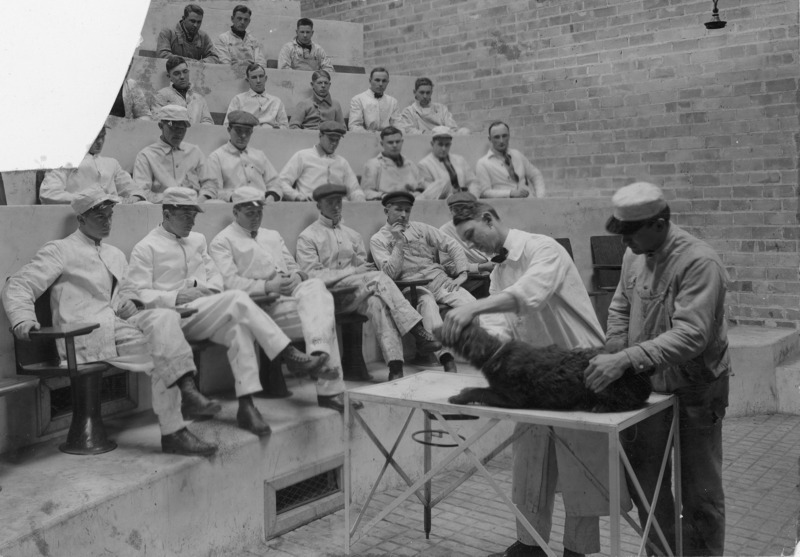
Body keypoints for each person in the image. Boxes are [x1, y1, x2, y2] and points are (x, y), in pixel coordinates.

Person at [439, 201, 621, 557]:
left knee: (580, 470)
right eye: (466, 243)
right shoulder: (497, 273)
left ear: (489, 218)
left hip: (580, 373)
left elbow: (531, 296)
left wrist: (472, 308)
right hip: (533, 379)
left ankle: (577, 552)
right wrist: (476, 346)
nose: (474, 247)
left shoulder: (544, 249)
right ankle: (529, 547)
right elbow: (498, 328)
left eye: (473, 235)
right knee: (529, 464)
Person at [2, 188, 221, 456]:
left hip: (117, 328)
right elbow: (19, 284)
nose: (107, 222)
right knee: (165, 352)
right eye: (100, 217)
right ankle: (176, 427)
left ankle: (184, 401)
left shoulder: (115, 254)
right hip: (83, 334)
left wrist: (131, 302)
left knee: (165, 318)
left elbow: (126, 293)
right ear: (81, 219)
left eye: (110, 216)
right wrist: (23, 318)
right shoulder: (60, 250)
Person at [584, 182, 730, 557]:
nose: (625, 244)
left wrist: (627, 359)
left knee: (700, 496)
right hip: (649, 389)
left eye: (631, 234)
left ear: (660, 223)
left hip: (696, 389)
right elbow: (619, 304)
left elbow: (692, 336)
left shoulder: (699, 262)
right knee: (648, 489)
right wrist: (616, 343)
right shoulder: (635, 253)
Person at [127, 187, 334, 437]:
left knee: (239, 326)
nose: (192, 221)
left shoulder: (198, 240)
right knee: (237, 298)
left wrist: (204, 289)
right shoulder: (146, 247)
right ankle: (288, 353)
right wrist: (176, 295)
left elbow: (215, 278)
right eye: (186, 215)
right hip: (171, 317)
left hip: (204, 310)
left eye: (195, 215)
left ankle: (247, 407)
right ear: (167, 214)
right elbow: (138, 294)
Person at [209, 187, 360, 412]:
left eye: (259, 213)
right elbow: (229, 284)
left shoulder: (272, 235)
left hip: (288, 301)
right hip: (259, 309)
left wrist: (297, 277)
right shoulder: (223, 241)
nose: (256, 218)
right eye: (249, 213)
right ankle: (331, 392)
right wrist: (268, 286)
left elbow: (295, 268)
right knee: (324, 318)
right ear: (236, 212)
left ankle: (316, 356)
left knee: (316, 288)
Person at [296, 184, 442, 381]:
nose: (336, 206)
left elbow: (363, 270)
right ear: (318, 205)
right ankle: (417, 330)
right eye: (330, 202)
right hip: (328, 298)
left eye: (338, 202)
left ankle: (395, 367)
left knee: (378, 303)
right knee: (380, 277)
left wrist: (361, 271)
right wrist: (354, 271)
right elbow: (312, 275)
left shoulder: (352, 235)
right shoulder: (308, 236)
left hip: (355, 296)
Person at [370, 191, 476, 373]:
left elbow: (452, 245)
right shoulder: (378, 239)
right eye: (398, 210)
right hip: (411, 288)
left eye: (407, 210)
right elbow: (390, 274)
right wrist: (399, 242)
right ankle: (447, 360)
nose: (403, 215)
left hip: (440, 281)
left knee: (472, 305)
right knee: (428, 303)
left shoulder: (420, 228)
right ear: (386, 210)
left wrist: (462, 273)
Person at [40, 121, 147, 204]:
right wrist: (90, 199)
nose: (100, 141)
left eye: (102, 136)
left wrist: (135, 197)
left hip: (116, 210)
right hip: (83, 213)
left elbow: (132, 188)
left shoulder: (112, 163)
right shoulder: (64, 161)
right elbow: (49, 194)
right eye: (95, 137)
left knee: (146, 205)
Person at [133, 105, 216, 203]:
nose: (178, 133)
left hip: (194, 205)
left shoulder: (195, 151)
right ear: (161, 126)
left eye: (182, 129)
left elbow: (210, 184)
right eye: (174, 128)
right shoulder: (146, 156)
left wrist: (200, 199)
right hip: (162, 207)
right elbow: (142, 191)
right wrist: (173, 200)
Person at [277, 121, 365, 201]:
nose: (334, 143)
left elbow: (354, 189)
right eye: (331, 139)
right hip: (311, 206)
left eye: (337, 140)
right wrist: (297, 196)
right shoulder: (303, 156)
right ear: (320, 136)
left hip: (339, 209)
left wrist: (360, 199)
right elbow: (281, 182)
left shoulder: (342, 162)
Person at [206, 111, 281, 202]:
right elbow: (213, 191)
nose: (243, 135)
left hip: (262, 205)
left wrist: (271, 197)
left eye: (247, 132)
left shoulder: (259, 155)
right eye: (238, 131)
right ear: (229, 130)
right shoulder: (216, 157)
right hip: (234, 206)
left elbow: (275, 183)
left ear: (252, 132)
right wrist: (234, 197)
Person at [438, 192, 494, 298]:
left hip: (493, 273)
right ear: (451, 211)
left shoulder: (484, 223)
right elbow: (448, 266)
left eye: (465, 208)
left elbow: (498, 248)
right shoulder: (444, 232)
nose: (461, 213)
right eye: (456, 209)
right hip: (470, 279)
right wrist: (481, 267)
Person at [474, 121, 545, 199]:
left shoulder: (517, 155)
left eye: (504, 136)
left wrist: (540, 198)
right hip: (505, 207)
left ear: (509, 136)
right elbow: (484, 192)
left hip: (528, 203)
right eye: (496, 137)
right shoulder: (483, 163)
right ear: (490, 139)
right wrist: (510, 193)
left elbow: (536, 175)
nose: (501, 141)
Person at [361, 126, 424, 201]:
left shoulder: (410, 164)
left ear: (402, 142)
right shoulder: (373, 165)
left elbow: (420, 187)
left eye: (397, 142)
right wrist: (383, 196)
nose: (395, 145)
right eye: (390, 142)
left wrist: (417, 194)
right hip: (385, 203)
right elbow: (366, 192)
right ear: (382, 144)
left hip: (410, 202)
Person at [417, 126, 480, 200]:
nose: (444, 148)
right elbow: (431, 192)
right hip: (442, 204)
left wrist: (473, 198)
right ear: (432, 144)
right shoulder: (424, 164)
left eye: (447, 145)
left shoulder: (460, 160)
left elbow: (473, 182)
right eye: (440, 144)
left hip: (466, 202)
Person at [152, 56, 214, 125]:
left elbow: (208, 122)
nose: (182, 76)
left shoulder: (199, 98)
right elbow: (158, 122)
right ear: (169, 76)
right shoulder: (161, 96)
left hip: (197, 134)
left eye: (185, 72)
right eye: (176, 73)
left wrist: (195, 131)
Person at [224, 63, 288, 129]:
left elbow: (285, 127)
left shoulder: (276, 101)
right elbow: (227, 125)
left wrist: (274, 129)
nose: (258, 81)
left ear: (265, 78)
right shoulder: (238, 99)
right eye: (254, 77)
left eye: (261, 76)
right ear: (248, 80)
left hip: (271, 136)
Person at [396, 77, 469, 136]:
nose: (425, 96)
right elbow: (409, 131)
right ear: (415, 92)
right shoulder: (409, 111)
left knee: (465, 131)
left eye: (428, 93)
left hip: (443, 138)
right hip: (423, 140)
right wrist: (430, 133)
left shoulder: (441, 108)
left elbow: (452, 127)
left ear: (431, 93)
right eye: (422, 92)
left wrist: (443, 131)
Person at [348, 68, 400, 133]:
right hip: (366, 138)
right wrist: (371, 134)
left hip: (389, 139)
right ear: (370, 81)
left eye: (384, 81)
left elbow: (398, 125)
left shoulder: (393, 102)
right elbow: (354, 127)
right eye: (377, 80)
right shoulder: (357, 100)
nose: (381, 84)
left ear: (388, 82)